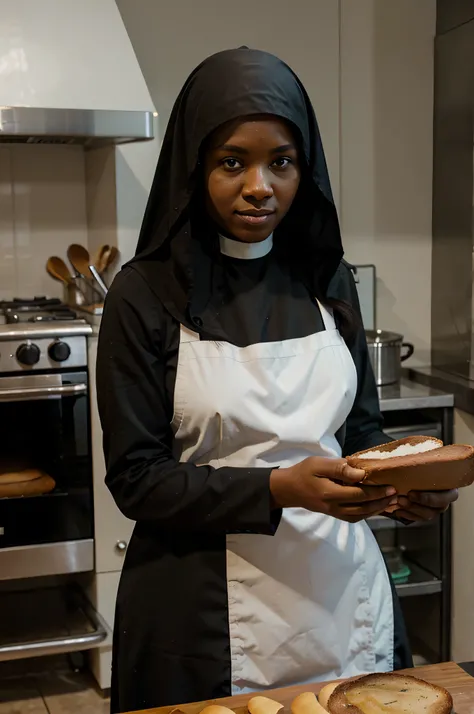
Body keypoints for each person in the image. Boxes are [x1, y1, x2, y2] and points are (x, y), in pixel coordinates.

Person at [96, 48, 457, 714]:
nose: (259, 186)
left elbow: (362, 436)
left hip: (341, 598)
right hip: (202, 613)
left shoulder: (329, 280)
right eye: (232, 162)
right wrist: (278, 487)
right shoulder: (142, 296)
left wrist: (409, 488)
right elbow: (136, 479)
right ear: (195, 166)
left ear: (304, 168)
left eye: (281, 162)